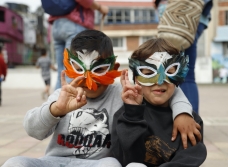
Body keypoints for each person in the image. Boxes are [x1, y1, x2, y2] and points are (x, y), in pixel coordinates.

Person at [2, 30, 201, 167]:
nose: (89, 78)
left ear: (113, 69)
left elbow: (164, 86)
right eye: (80, 69)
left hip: (98, 164)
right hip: (54, 161)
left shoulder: (121, 94)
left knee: (112, 164)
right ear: (70, 67)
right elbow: (32, 130)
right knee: (14, 163)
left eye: (99, 69)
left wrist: (182, 112)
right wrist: (55, 110)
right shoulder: (63, 95)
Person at [112, 38, 206, 167]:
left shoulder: (190, 121)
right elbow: (125, 159)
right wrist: (133, 114)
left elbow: (191, 156)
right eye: (149, 73)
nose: (160, 81)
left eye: (169, 72)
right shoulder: (124, 115)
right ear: (136, 78)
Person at [154, 0, 213, 114]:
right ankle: (190, 119)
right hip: (192, 16)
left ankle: (187, 119)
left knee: (177, 74)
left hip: (175, 17)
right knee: (185, 74)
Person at [47, 0, 109, 90]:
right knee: (73, 70)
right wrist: (100, 8)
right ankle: (68, 101)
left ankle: (56, 101)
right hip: (74, 23)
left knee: (62, 72)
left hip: (56, 25)